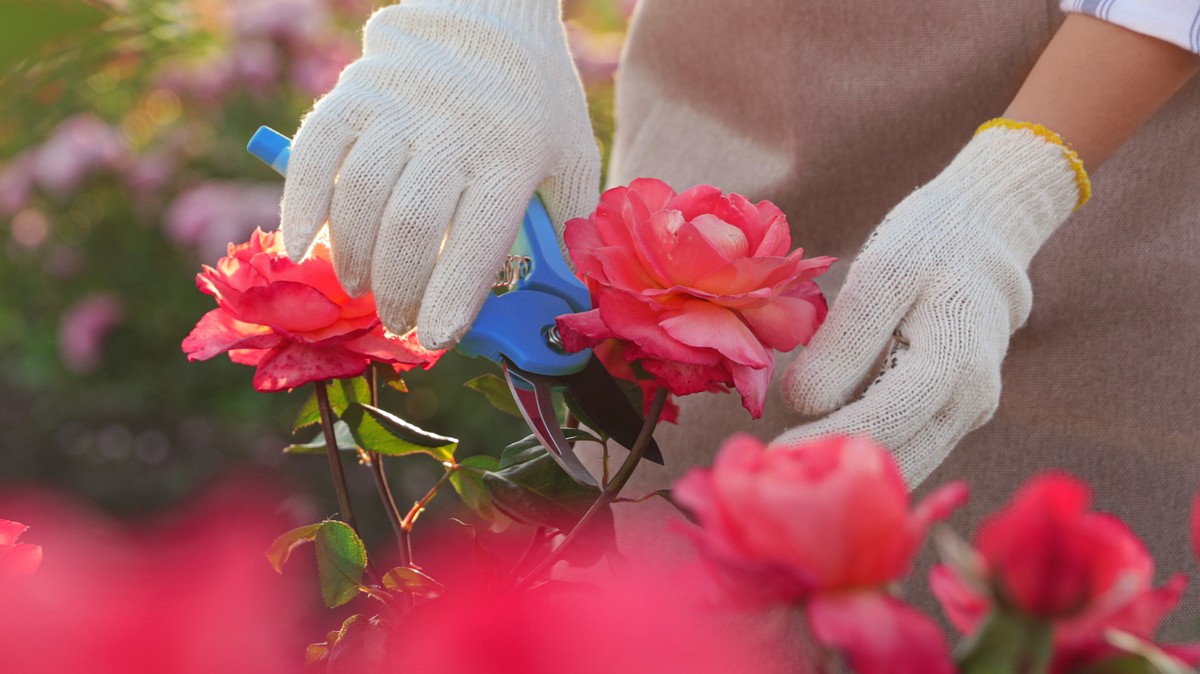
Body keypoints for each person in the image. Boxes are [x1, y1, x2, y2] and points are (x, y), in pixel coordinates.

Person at [279, 0, 1200, 636]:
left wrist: (1022, 183)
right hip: (732, 143)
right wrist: (473, 21)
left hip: (1110, 188)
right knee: (698, 595)